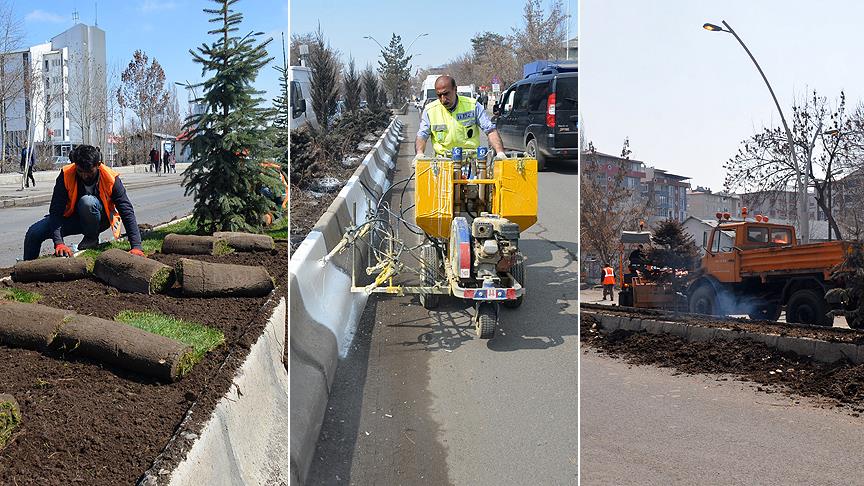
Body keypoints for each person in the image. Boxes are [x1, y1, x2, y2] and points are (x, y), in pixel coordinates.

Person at [23, 145, 145, 260]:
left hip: (101, 220)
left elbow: (126, 210)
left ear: (98, 165)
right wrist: (59, 243)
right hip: (73, 219)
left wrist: (136, 247)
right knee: (34, 233)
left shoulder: (111, 178)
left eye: (89, 172)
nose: (84, 176)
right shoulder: (66, 175)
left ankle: (91, 238)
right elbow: (56, 211)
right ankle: (26, 269)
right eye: (80, 171)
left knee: (87, 202)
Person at [415, 75, 506, 160]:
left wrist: (500, 152)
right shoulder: (430, 110)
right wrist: (419, 154)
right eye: (439, 95)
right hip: (443, 162)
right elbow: (422, 135)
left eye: (446, 94)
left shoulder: (473, 106)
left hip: (471, 162)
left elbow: (490, 130)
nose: (443, 99)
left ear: (455, 89)